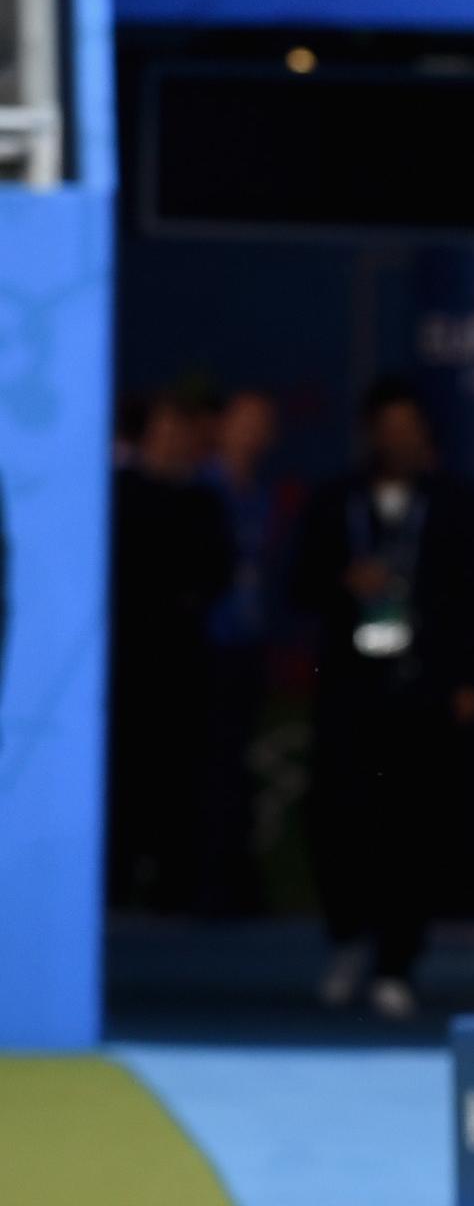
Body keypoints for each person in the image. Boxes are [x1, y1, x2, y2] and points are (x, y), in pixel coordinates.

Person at [290, 378, 474, 1019]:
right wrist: (341, 582)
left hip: (422, 688)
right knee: (340, 817)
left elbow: (473, 603)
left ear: (426, 436)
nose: (398, 440)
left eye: (410, 428)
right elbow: (298, 586)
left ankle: (397, 961)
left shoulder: (457, 508)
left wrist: (469, 680)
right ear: (370, 434)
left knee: (415, 825)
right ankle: (348, 935)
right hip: (352, 689)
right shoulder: (334, 504)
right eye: (387, 428)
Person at [107, 389, 234, 912]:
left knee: (180, 776)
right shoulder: (117, 493)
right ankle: (114, 883)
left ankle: (175, 889)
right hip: (124, 660)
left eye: (182, 432)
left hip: (182, 661)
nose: (173, 441)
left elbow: (216, 572)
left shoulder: (204, 500)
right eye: (164, 430)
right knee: (123, 772)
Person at [201, 388, 279, 912]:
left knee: (237, 765)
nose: (253, 433)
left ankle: (234, 884)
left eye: (262, 424)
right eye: (244, 421)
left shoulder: (262, 495)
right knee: (207, 767)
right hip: (205, 645)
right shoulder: (202, 488)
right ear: (222, 425)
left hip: (248, 644)